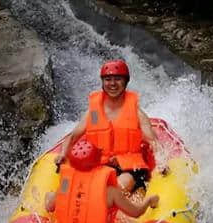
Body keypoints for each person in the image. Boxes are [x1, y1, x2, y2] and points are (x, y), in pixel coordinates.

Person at [55, 59, 166, 193]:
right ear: (103, 82)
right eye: (108, 79)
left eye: (118, 79)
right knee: (68, 191)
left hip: (129, 168)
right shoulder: (93, 112)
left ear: (125, 81)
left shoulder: (136, 112)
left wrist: (161, 163)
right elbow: (73, 137)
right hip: (99, 166)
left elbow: (153, 141)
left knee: (118, 187)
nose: (112, 84)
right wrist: (62, 154)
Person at [45, 139, 159, 223]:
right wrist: (149, 200)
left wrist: (49, 195)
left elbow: (49, 205)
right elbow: (136, 212)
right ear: (98, 163)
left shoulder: (66, 185)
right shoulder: (110, 192)